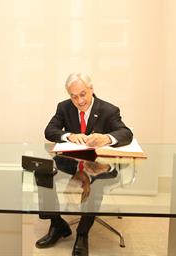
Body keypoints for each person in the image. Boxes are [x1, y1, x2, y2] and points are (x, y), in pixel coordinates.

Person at [37, 73, 133, 256]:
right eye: (73, 96)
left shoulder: (108, 110)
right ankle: (57, 225)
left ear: (91, 90)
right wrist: (68, 135)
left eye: (83, 94)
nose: (79, 101)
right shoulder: (64, 107)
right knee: (43, 172)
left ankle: (82, 233)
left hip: (102, 165)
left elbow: (126, 133)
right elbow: (50, 130)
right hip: (72, 163)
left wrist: (106, 138)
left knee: (96, 180)